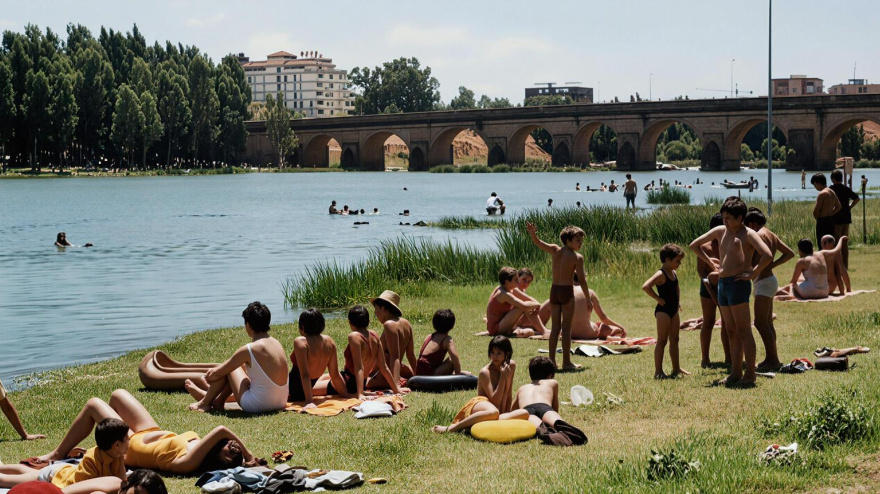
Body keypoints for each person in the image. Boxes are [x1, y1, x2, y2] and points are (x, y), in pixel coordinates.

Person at [37, 389, 256, 476]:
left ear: (218, 460)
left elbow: (221, 429)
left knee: (94, 404)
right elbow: (221, 435)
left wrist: (248, 457)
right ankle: (103, 442)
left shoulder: (189, 463)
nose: (233, 449)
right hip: (150, 431)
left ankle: (58, 454)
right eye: (235, 449)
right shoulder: (201, 447)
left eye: (231, 454)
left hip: (131, 444)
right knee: (118, 395)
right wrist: (243, 456)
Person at [689, 197, 773, 387]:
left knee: (744, 330)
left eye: (728, 218)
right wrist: (711, 263)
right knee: (731, 330)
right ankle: (735, 373)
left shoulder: (748, 234)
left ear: (740, 217)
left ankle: (750, 374)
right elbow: (694, 245)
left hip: (738, 285)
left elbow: (767, 255)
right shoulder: (720, 231)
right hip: (722, 285)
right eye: (724, 217)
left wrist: (753, 272)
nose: (725, 221)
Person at [186, 302, 288, 413]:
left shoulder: (250, 349)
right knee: (238, 369)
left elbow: (219, 372)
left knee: (231, 368)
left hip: (258, 404)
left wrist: (209, 376)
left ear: (248, 325)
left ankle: (204, 403)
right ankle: (218, 401)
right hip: (281, 401)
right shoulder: (276, 343)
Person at [526, 223, 592, 371]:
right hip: (566, 292)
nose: (580, 244)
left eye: (581, 241)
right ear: (568, 241)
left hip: (554, 292)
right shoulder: (577, 257)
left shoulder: (555, 250)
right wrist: (588, 299)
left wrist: (532, 233)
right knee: (566, 329)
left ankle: (551, 362)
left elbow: (539, 243)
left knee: (555, 328)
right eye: (577, 241)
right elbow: (582, 280)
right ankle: (567, 362)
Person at [0, 417, 128, 493]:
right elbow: (83, 488)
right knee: (6, 481)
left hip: (63, 470)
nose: (129, 440)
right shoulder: (91, 459)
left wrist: (121, 461)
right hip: (54, 476)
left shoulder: (117, 455)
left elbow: (122, 482)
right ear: (116, 444)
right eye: (127, 438)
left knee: (26, 471)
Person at [432, 336, 527, 433]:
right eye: (492, 352)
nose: (495, 356)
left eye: (499, 353)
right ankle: (452, 428)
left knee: (524, 413)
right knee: (493, 412)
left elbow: (508, 393)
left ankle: (485, 422)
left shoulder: (511, 365)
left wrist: (506, 414)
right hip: (482, 404)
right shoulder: (485, 372)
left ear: (507, 354)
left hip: (496, 413)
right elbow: (495, 402)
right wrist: (503, 377)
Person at [744, 208, 794, 372]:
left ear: (752, 223)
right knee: (766, 323)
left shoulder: (758, 235)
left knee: (760, 322)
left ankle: (773, 360)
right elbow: (789, 253)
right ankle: (771, 358)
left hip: (765, 281)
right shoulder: (770, 234)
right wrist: (771, 265)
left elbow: (765, 257)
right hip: (769, 280)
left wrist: (758, 269)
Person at [318, 306, 404, 399]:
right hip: (356, 380)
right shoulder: (374, 335)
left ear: (350, 323)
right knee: (322, 377)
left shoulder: (354, 336)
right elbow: (384, 367)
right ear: (369, 321)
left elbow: (359, 367)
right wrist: (396, 389)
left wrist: (360, 394)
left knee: (309, 388)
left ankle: (355, 391)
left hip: (349, 383)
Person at [512, 356, 586, 443]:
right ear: (551, 374)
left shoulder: (522, 388)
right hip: (544, 407)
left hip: (527, 411)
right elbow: (555, 408)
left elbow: (512, 410)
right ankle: (563, 432)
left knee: (541, 428)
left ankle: (546, 431)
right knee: (560, 424)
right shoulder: (552, 382)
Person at [642, 244, 689, 379]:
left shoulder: (673, 272)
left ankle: (676, 368)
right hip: (663, 312)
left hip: (673, 311)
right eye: (677, 261)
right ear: (667, 260)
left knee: (675, 339)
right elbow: (646, 286)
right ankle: (658, 371)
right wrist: (658, 299)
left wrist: (678, 301)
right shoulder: (660, 274)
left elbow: (677, 288)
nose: (679, 264)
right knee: (662, 341)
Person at [288, 309, 351, 408]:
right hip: (309, 386)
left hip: (293, 390)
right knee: (327, 376)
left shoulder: (301, 342)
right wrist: (347, 396)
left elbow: (304, 375)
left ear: (302, 327)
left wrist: (309, 401)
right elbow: (334, 374)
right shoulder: (329, 341)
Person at [696, 213, 730, 368]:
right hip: (707, 286)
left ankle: (729, 357)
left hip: (726, 285)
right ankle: (705, 359)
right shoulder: (705, 247)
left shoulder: (728, 243)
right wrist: (711, 291)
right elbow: (701, 272)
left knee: (727, 322)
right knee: (708, 321)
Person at [537, 280, 625, 339]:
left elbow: (547, 307)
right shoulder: (589, 292)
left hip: (567, 333)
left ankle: (540, 328)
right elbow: (603, 317)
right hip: (588, 334)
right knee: (603, 326)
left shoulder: (562, 292)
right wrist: (620, 327)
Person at [369, 291, 416, 388]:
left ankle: (395, 381)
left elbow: (395, 357)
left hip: (385, 372)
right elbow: (410, 355)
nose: (376, 314)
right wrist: (417, 376)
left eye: (376, 310)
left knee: (364, 383)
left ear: (384, 309)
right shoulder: (406, 323)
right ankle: (399, 379)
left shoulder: (389, 325)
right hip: (392, 369)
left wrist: (396, 385)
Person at [485, 267, 545, 338]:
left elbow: (528, 298)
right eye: (516, 280)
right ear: (507, 281)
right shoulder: (503, 294)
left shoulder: (509, 289)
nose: (518, 282)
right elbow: (524, 306)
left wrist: (537, 304)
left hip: (501, 324)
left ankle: (542, 330)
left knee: (526, 306)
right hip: (496, 329)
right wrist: (537, 304)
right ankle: (544, 331)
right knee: (521, 307)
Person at [415, 309, 469, 376]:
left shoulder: (429, 336)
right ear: (452, 326)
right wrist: (458, 375)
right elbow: (455, 359)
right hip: (430, 375)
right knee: (450, 360)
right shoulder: (447, 340)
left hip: (419, 372)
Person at [829, 169, 860, 268]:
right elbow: (857, 198)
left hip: (836, 218)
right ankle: (845, 265)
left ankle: (837, 265)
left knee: (837, 242)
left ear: (833, 179)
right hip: (846, 218)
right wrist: (849, 207)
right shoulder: (846, 188)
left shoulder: (831, 189)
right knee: (845, 243)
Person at [511, 268, 548, 336]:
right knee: (527, 306)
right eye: (524, 279)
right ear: (518, 278)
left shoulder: (523, 290)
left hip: (524, 320)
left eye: (529, 281)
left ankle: (541, 329)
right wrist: (536, 305)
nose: (526, 283)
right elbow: (530, 300)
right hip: (515, 322)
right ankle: (542, 331)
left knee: (549, 303)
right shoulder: (514, 289)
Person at [811, 173, 841, 247]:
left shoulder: (822, 194)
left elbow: (815, 211)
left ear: (817, 183)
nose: (815, 187)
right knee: (830, 244)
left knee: (822, 244)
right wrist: (831, 212)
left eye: (814, 185)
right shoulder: (831, 191)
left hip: (822, 221)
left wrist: (818, 218)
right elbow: (839, 206)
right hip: (830, 220)